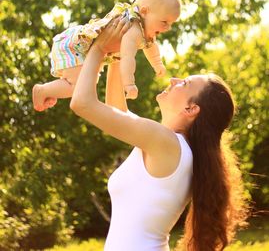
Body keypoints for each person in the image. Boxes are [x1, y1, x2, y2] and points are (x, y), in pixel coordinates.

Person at [70, 18, 248, 251]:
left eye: (184, 83)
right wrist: (118, 53)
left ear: (191, 109)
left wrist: (99, 47)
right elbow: (117, 110)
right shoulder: (170, 145)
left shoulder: (165, 143)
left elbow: (82, 103)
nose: (174, 80)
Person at [32, 0, 181, 111]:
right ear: (145, 11)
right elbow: (127, 57)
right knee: (79, 86)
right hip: (76, 46)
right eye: (164, 22)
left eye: (171, 24)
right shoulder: (133, 28)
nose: (168, 28)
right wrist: (129, 84)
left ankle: (52, 90)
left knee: (82, 84)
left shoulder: (144, 29)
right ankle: (43, 90)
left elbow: (151, 47)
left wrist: (157, 64)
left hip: (83, 50)